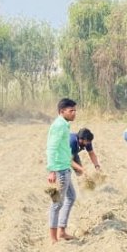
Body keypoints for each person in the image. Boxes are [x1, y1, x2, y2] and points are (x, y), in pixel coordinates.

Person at [47, 98, 78, 242]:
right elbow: (52, 148)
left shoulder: (64, 125)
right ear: (62, 111)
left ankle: (62, 231)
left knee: (71, 197)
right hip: (59, 170)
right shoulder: (59, 126)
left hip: (65, 168)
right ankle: (53, 237)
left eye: (75, 110)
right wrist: (52, 170)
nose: (74, 113)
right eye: (71, 111)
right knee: (57, 203)